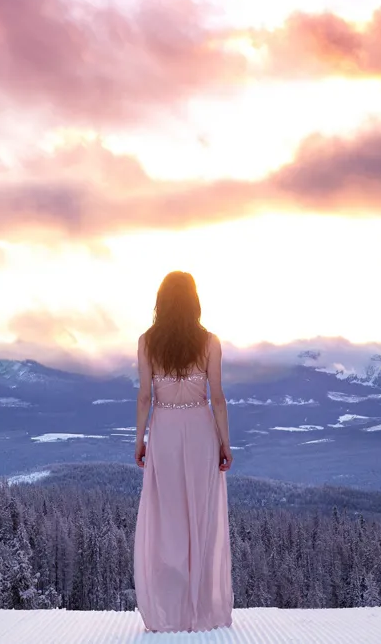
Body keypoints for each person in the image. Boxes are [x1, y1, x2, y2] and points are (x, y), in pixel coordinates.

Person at [132, 271, 233, 632]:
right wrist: (224, 441)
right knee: (200, 517)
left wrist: (140, 439)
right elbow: (217, 397)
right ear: (194, 301)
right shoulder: (210, 342)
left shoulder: (147, 342)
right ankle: (201, 608)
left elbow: (145, 396)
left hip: (164, 432)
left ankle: (169, 610)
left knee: (168, 521)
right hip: (201, 431)